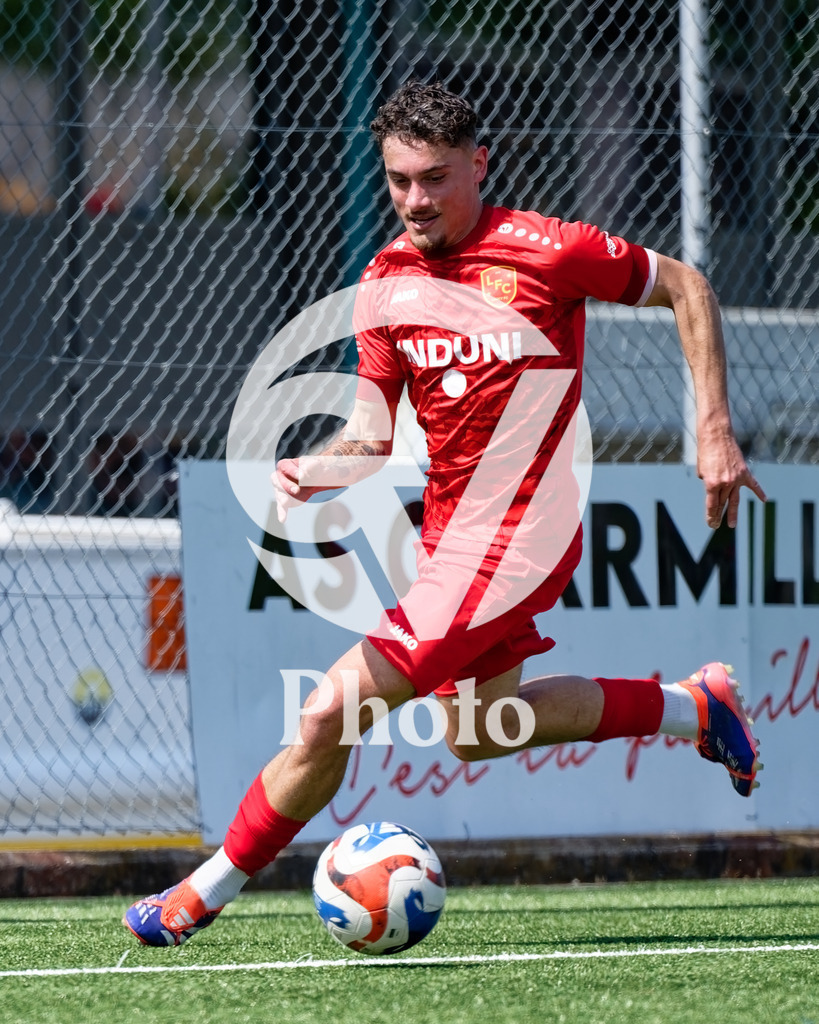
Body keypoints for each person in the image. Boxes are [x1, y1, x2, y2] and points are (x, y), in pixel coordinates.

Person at [124, 81, 767, 947]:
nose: (415, 200)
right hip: (448, 538)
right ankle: (695, 706)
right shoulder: (384, 282)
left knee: (324, 713)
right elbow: (370, 434)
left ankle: (199, 895)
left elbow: (686, 286)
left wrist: (714, 430)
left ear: (478, 166)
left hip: (522, 534)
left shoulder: (547, 250)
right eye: (398, 181)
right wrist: (320, 468)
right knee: (478, 730)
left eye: (433, 178)